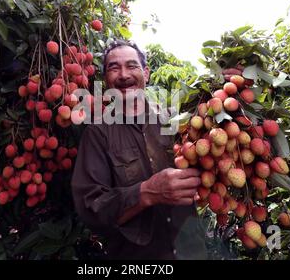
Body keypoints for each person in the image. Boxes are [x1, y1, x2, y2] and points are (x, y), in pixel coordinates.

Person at [71, 40, 207, 260]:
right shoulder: (98, 133)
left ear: (146, 73)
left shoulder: (175, 120)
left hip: (192, 251)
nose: (124, 75)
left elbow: (213, 147)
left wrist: (224, 83)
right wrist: (147, 192)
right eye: (114, 68)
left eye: (132, 66)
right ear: (106, 80)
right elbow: (90, 208)